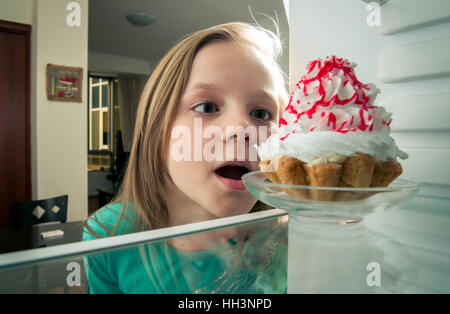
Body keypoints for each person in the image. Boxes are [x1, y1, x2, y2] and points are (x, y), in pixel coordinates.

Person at [83, 22, 288, 294]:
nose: (243, 129)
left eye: (261, 114)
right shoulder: (108, 234)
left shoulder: (286, 241)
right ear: (159, 129)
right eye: (207, 107)